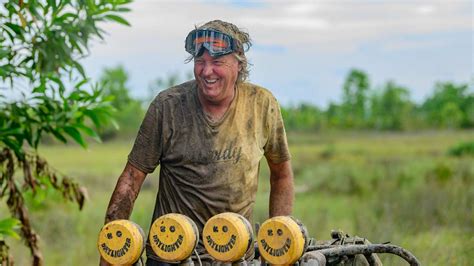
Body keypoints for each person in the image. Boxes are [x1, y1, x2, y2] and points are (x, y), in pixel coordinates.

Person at [100, 20, 294, 265]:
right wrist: (110, 251)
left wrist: (278, 243)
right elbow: (131, 179)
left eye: (217, 63)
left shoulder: (262, 104)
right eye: (200, 62)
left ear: (238, 64)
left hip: (234, 255)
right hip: (170, 253)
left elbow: (282, 174)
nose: (206, 71)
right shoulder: (168, 106)